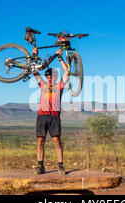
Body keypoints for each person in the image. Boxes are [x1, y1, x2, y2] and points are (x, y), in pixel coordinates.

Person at [32, 47, 70, 175]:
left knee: (56, 141)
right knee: (40, 141)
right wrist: (34, 54)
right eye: (47, 76)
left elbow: (67, 72)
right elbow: (34, 70)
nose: (49, 78)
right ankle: (40, 166)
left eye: (51, 76)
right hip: (42, 116)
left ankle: (60, 166)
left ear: (55, 77)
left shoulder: (59, 86)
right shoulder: (42, 84)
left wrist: (60, 58)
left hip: (54, 117)